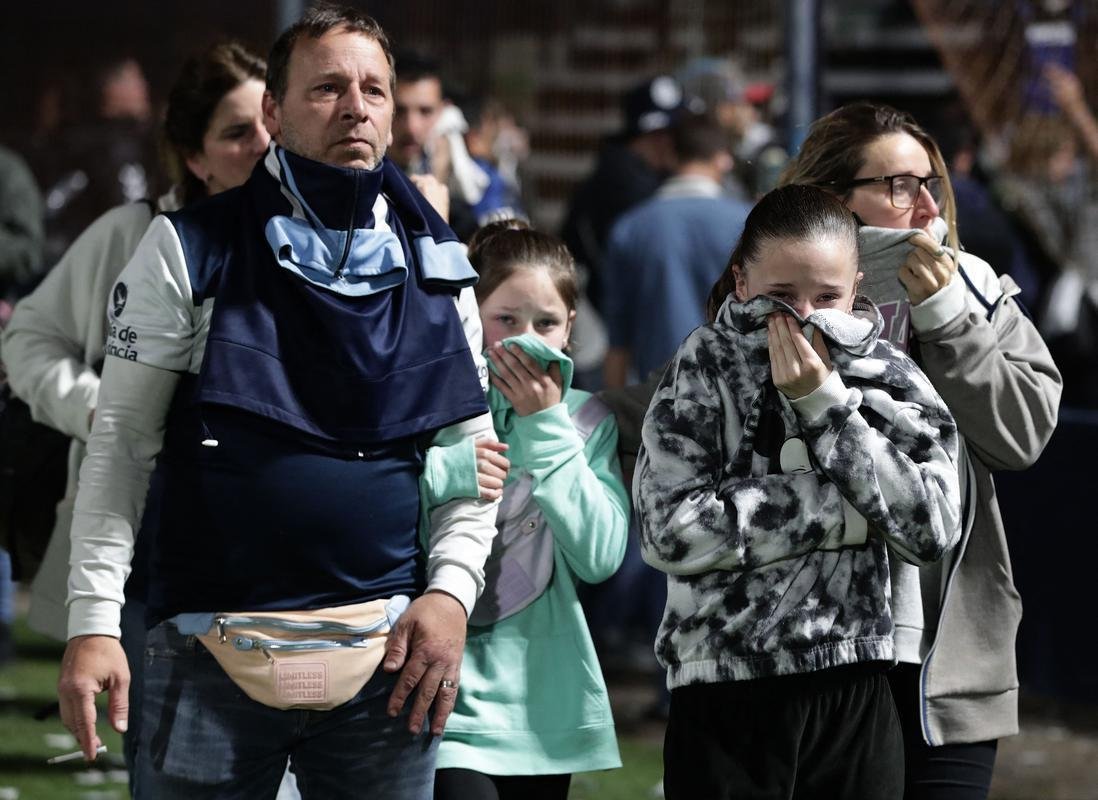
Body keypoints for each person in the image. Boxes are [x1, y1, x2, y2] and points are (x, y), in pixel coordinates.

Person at [54, 6, 499, 798]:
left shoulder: (441, 263)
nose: (355, 107)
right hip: (205, 653)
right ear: (273, 111)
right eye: (326, 87)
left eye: (373, 89)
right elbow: (120, 446)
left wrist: (451, 594)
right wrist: (92, 623)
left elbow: (474, 465)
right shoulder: (188, 247)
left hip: (389, 658)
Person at [635, 184, 962, 799]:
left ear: (857, 285)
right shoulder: (705, 367)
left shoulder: (887, 374)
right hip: (724, 681)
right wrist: (847, 510)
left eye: (827, 296)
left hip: (855, 680)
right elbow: (668, 530)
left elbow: (932, 527)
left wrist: (826, 408)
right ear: (741, 282)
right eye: (781, 296)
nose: (804, 317)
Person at [2, 41, 269, 781]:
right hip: (152, 553)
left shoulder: (316, 242)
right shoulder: (133, 233)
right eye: (238, 132)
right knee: (172, 765)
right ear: (193, 155)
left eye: (271, 125)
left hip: (280, 566)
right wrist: (99, 409)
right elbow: (29, 338)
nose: (264, 147)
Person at [781, 102, 1062, 799]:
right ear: (833, 196)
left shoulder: (979, 291)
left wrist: (948, 320)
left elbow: (1020, 435)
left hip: (948, 658)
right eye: (899, 185)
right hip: (817, 655)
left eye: (932, 181)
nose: (927, 204)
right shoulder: (782, 292)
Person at [431, 222, 627, 800]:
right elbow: (386, 508)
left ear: (570, 330)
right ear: (471, 317)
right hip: (445, 693)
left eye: (545, 323)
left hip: (542, 707)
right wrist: (444, 473)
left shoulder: (588, 420)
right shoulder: (435, 405)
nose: (525, 338)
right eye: (506, 320)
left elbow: (599, 557)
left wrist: (545, 426)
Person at [602, 113, 751, 387]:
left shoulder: (630, 227)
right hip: (734, 394)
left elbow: (617, 341)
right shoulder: (750, 223)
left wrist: (614, 412)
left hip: (655, 396)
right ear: (723, 158)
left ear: (670, 156)